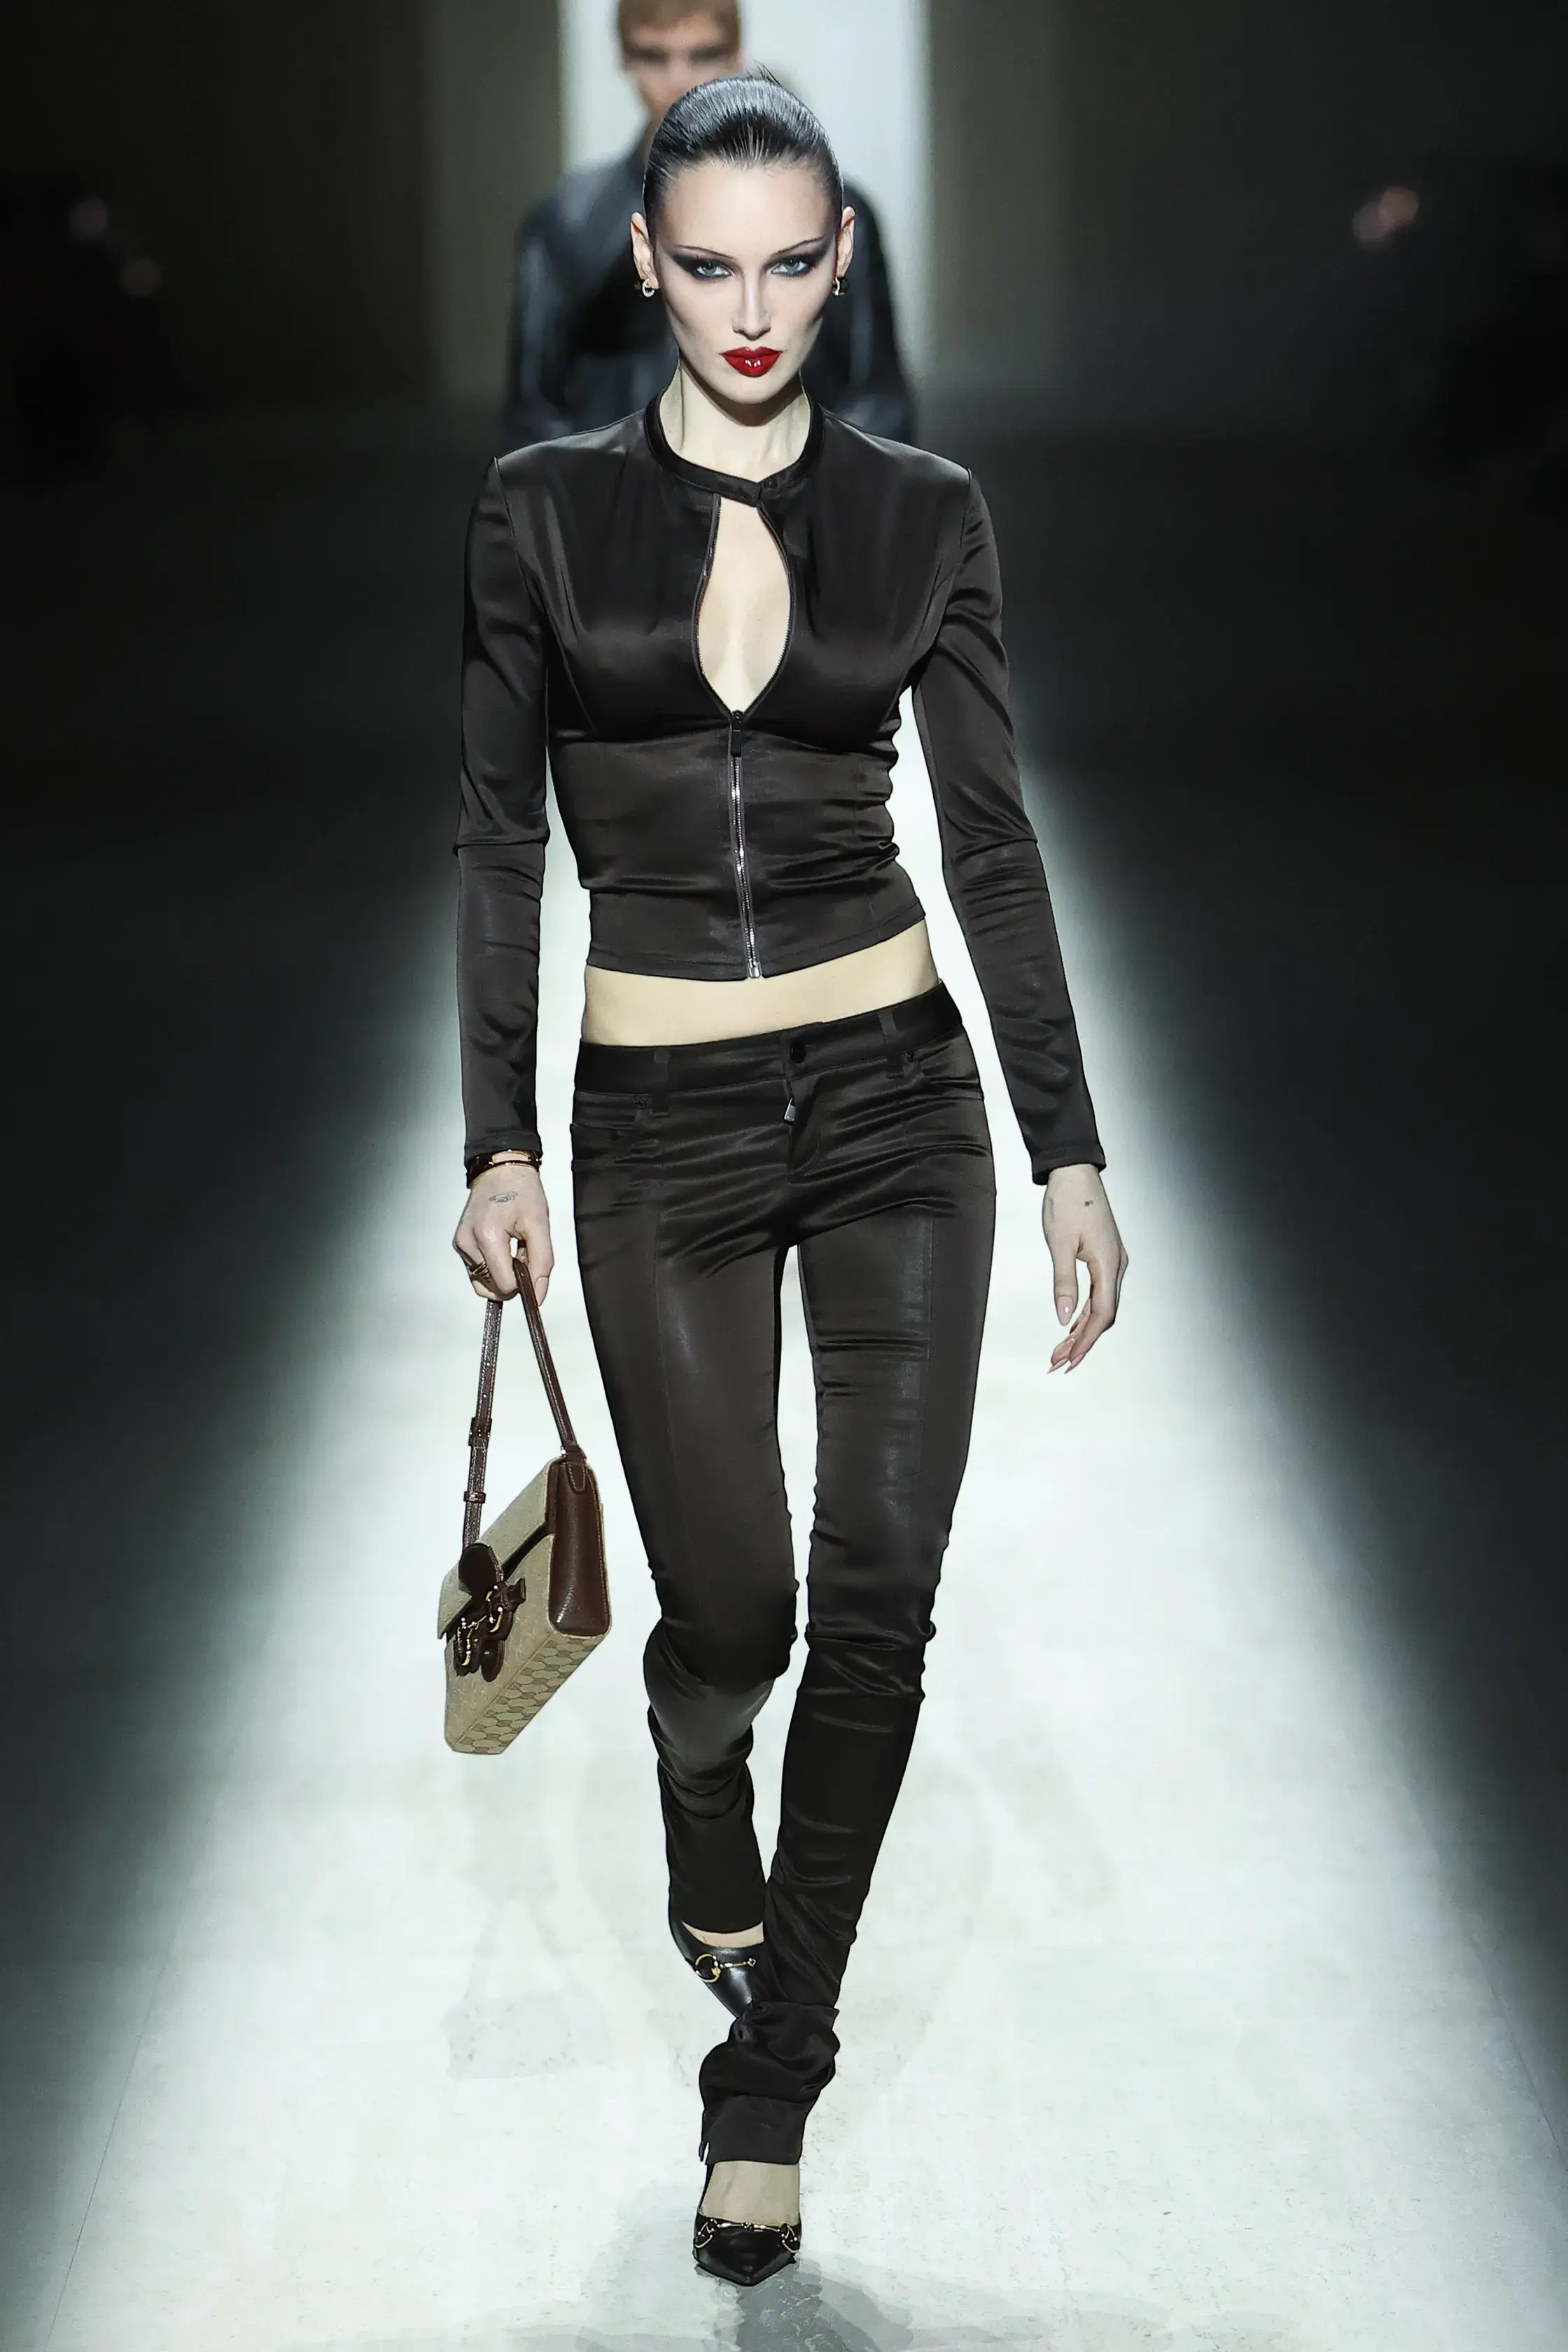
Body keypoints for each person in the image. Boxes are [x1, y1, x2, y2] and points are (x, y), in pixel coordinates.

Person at [453, 76, 1126, 2287]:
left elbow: (991, 842)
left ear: (840, 262)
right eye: (708, 263)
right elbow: (499, 842)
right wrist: (497, 1134)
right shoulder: (543, 516)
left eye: (791, 262)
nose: (750, 308)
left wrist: (1064, 1146)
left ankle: (770, 2080)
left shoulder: (923, 515)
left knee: (883, 1594)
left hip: (897, 1102)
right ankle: (688, 1750)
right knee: (730, 1609)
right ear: (645, 264)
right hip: (655, 1131)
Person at [503, 0, 913, 447]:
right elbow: (533, 414)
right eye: (654, 56)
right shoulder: (567, 223)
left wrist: (812, 483)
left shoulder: (837, 215)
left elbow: (878, 400)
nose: (679, 79)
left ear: (737, 52)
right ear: (623, 58)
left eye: (703, 54)